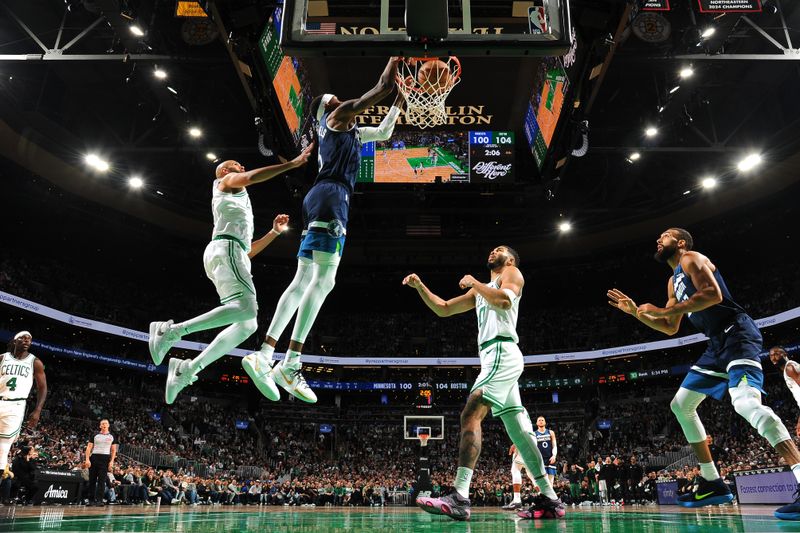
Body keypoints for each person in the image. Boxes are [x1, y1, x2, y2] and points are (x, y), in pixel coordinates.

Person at [607, 227, 800, 520]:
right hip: (716, 345)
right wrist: (636, 313)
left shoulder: (691, 258)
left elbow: (712, 294)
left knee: (746, 404)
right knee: (681, 405)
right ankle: (713, 481)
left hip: (737, 333)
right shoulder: (673, 282)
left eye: (666, 235)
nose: (659, 239)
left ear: (681, 243)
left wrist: (658, 312)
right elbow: (670, 326)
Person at [244, 57, 404, 403]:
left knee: (304, 280)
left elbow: (386, 131)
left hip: (321, 197)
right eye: (333, 98)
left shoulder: (350, 131)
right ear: (326, 110)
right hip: (332, 196)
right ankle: (285, 360)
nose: (338, 99)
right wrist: (393, 59)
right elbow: (379, 89)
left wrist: (401, 99)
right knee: (323, 280)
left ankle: (270, 356)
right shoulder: (335, 118)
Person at [404, 245, 564, 521]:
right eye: (491, 249)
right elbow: (443, 308)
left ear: (510, 258)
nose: (493, 251)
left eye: (499, 250)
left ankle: (460, 495)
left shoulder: (511, 272)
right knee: (521, 435)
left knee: (471, 412)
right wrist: (420, 287)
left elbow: (504, 300)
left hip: (502, 352)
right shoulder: (481, 289)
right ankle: (551, 499)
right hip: (494, 356)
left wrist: (475, 283)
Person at [147, 148, 313, 404]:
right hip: (226, 249)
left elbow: (247, 252)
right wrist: (291, 164)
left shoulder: (238, 201)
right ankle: (171, 332)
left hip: (231, 252)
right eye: (237, 163)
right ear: (224, 171)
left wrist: (274, 233)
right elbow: (251, 178)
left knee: (248, 323)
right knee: (247, 308)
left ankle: (188, 369)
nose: (242, 165)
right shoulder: (225, 182)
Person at [0, 331, 47, 480]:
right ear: (14, 341)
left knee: (4, 447)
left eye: (29, 339)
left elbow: (42, 387)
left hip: (16, 404)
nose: (27, 340)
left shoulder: (35, 362)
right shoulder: (2, 358)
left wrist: (38, 410)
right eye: (23, 338)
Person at [84, 419, 117, 506]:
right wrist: (87, 459)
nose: (104, 425)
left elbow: (113, 450)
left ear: (108, 425)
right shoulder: (95, 434)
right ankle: (90, 500)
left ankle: (99, 500)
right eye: (102, 424)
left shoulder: (112, 436)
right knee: (92, 480)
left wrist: (111, 461)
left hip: (105, 458)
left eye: (106, 423)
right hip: (94, 457)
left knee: (102, 481)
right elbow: (88, 448)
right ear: (100, 426)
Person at [769, 346, 800, 437]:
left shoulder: (789, 368)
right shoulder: (788, 369)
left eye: (776, 354)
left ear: (785, 354)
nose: (773, 357)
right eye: (771, 356)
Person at [501, 439, 536, 511]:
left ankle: (517, 500)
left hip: (523, 443)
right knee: (531, 474)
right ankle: (543, 497)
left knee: (515, 469)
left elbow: (521, 430)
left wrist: (515, 443)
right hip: (533, 444)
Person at [534, 416, 558, 485]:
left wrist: (554, 455)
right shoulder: (534, 433)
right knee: (543, 481)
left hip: (550, 458)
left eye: (542, 420)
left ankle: (549, 496)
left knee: (551, 482)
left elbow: (554, 445)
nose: (541, 421)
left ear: (545, 422)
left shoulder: (551, 432)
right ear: (536, 423)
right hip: (540, 459)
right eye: (539, 420)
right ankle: (543, 495)